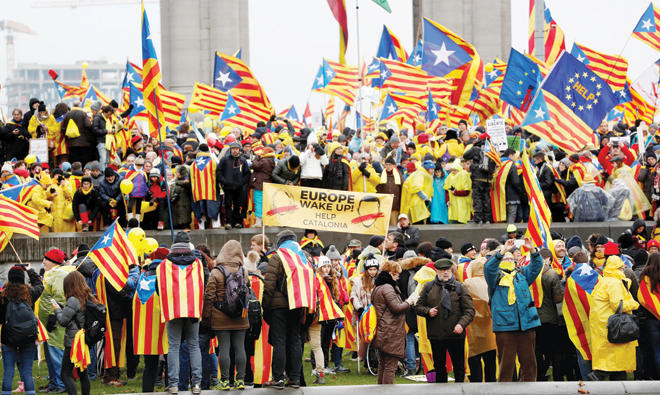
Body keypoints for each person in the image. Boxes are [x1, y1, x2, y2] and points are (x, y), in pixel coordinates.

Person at [484, 237, 542, 382]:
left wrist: (532, 250)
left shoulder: (521, 274)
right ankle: (505, 390)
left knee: (529, 364)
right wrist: (503, 250)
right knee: (506, 365)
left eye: (511, 259)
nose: (509, 261)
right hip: (505, 327)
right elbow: (489, 267)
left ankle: (529, 389)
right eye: (506, 258)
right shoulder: (495, 277)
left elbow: (537, 266)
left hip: (526, 325)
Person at [263, 230, 314, 389]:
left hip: (279, 306)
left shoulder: (278, 256)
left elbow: (269, 285)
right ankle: (295, 378)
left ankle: (278, 377)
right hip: (299, 304)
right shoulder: (304, 256)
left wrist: (266, 306)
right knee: (295, 340)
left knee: (279, 341)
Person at [156, 232, 204, 394]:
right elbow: (202, 284)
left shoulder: (163, 265)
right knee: (194, 345)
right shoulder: (197, 263)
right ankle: (197, 384)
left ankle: (174, 384)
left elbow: (158, 288)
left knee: (174, 347)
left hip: (173, 309)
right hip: (192, 310)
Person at [415, 258, 475, 383]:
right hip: (436, 335)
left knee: (459, 368)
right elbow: (418, 307)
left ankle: (460, 391)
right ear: (436, 271)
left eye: (447, 270)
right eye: (442, 270)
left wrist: (461, 324)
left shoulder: (460, 287)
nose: (445, 272)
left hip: (456, 335)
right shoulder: (428, 287)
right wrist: (428, 311)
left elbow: (469, 311)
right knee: (439, 368)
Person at [204, 240, 249, 391]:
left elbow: (209, 296)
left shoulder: (216, 271)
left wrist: (207, 316)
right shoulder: (243, 271)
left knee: (224, 348)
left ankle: (224, 381)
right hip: (240, 317)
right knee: (240, 348)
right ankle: (240, 380)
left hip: (220, 317)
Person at [589, 255, 639, 380]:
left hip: (605, 326)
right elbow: (618, 305)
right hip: (614, 327)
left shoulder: (604, 280)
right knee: (616, 364)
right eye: (621, 268)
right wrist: (635, 304)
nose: (623, 271)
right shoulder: (614, 283)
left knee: (615, 366)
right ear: (617, 269)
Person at [52, 271, 100, 395]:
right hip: (85, 339)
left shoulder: (73, 300)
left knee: (65, 374)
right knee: (82, 373)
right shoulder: (89, 296)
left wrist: (57, 310)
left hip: (74, 342)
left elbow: (63, 321)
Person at [371, 260, 417, 384]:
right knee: (390, 366)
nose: (398, 277)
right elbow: (396, 308)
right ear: (391, 273)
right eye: (396, 274)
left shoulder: (378, 286)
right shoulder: (388, 288)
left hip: (382, 330)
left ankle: (380, 392)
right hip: (390, 331)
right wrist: (409, 301)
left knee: (383, 364)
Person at [0, 265, 43, 395]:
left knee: (8, 372)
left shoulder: (3, 296)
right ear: (23, 278)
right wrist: (30, 270)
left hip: (8, 338)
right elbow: (40, 285)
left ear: (9, 278)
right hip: (28, 337)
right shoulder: (29, 293)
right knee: (27, 372)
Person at [38, 248, 75, 394]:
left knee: (55, 353)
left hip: (55, 322)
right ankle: (54, 382)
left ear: (53, 262)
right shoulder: (52, 273)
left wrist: (54, 315)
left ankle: (60, 384)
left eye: (46, 259)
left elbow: (60, 296)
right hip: (48, 322)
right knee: (50, 353)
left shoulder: (59, 275)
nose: (43, 261)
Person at [463, 257, 497, 382]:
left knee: (474, 359)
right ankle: (491, 385)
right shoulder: (492, 280)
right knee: (491, 361)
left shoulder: (467, 283)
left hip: (473, 326)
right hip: (490, 325)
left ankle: (476, 385)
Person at [535, 248, 564, 381]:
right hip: (550, 318)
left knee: (537, 350)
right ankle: (554, 376)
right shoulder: (552, 274)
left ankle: (539, 374)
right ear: (550, 260)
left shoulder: (529, 273)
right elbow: (558, 298)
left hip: (534, 318)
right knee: (553, 351)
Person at [349, 255, 379, 362]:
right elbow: (353, 296)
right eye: (370, 269)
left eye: (374, 269)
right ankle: (362, 356)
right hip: (362, 312)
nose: (372, 272)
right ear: (366, 270)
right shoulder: (358, 281)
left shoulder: (379, 281)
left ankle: (374, 358)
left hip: (376, 312)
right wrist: (359, 308)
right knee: (365, 334)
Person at [217, 142, 251, 230]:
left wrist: (242, 182)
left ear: (239, 150)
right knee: (228, 205)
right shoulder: (224, 160)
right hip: (228, 187)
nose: (235, 150)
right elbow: (219, 172)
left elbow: (247, 174)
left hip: (239, 187)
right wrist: (225, 182)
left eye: (236, 149)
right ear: (230, 150)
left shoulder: (243, 160)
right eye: (233, 149)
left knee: (238, 205)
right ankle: (228, 222)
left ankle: (237, 222)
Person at [638, 252, 660, 379]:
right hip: (653, 320)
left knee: (657, 352)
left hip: (651, 321)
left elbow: (642, 298)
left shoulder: (645, 277)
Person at [250, 146, 276, 226]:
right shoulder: (271, 160)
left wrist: (256, 158)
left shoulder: (265, 160)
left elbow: (254, 166)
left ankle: (258, 222)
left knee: (258, 203)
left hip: (260, 185)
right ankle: (265, 222)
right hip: (266, 185)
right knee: (265, 204)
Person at [377, 157, 403, 226]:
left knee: (394, 225)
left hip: (395, 206)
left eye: (390, 164)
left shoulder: (399, 176)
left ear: (393, 165)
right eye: (387, 164)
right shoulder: (380, 176)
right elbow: (378, 191)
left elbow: (402, 191)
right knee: (384, 226)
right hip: (384, 205)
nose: (388, 166)